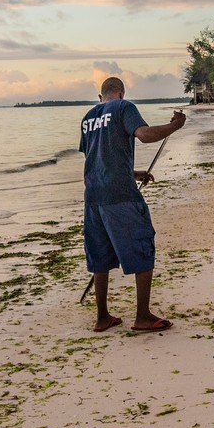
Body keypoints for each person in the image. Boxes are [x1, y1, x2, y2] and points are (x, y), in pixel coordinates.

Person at [80, 77, 187, 332]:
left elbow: (98, 158)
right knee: (142, 243)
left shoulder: (88, 118)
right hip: (120, 195)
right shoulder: (123, 107)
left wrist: (134, 172)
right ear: (120, 93)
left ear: (100, 97)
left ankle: (102, 317)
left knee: (100, 254)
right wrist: (174, 127)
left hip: (93, 195)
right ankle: (142, 316)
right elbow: (144, 135)